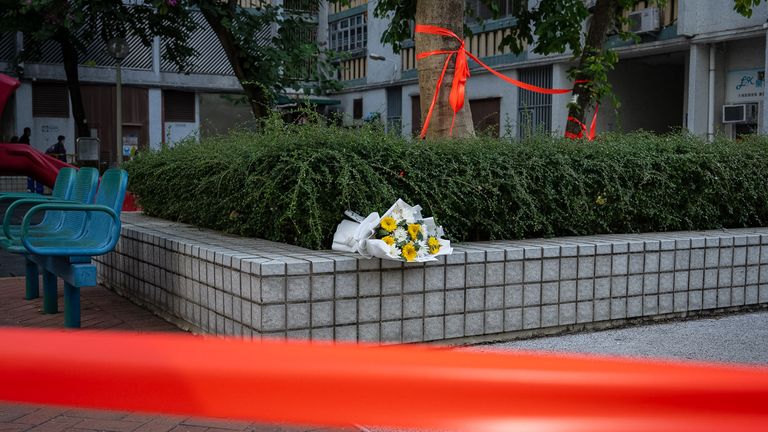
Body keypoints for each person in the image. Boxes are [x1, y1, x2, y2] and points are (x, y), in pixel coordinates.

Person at [19, 127, 43, 193]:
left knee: (31, 179)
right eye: (29, 132)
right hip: (25, 160)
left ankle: (31, 190)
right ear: (27, 132)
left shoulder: (23, 138)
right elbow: (27, 149)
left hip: (25, 159)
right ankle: (33, 190)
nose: (30, 133)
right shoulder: (25, 139)